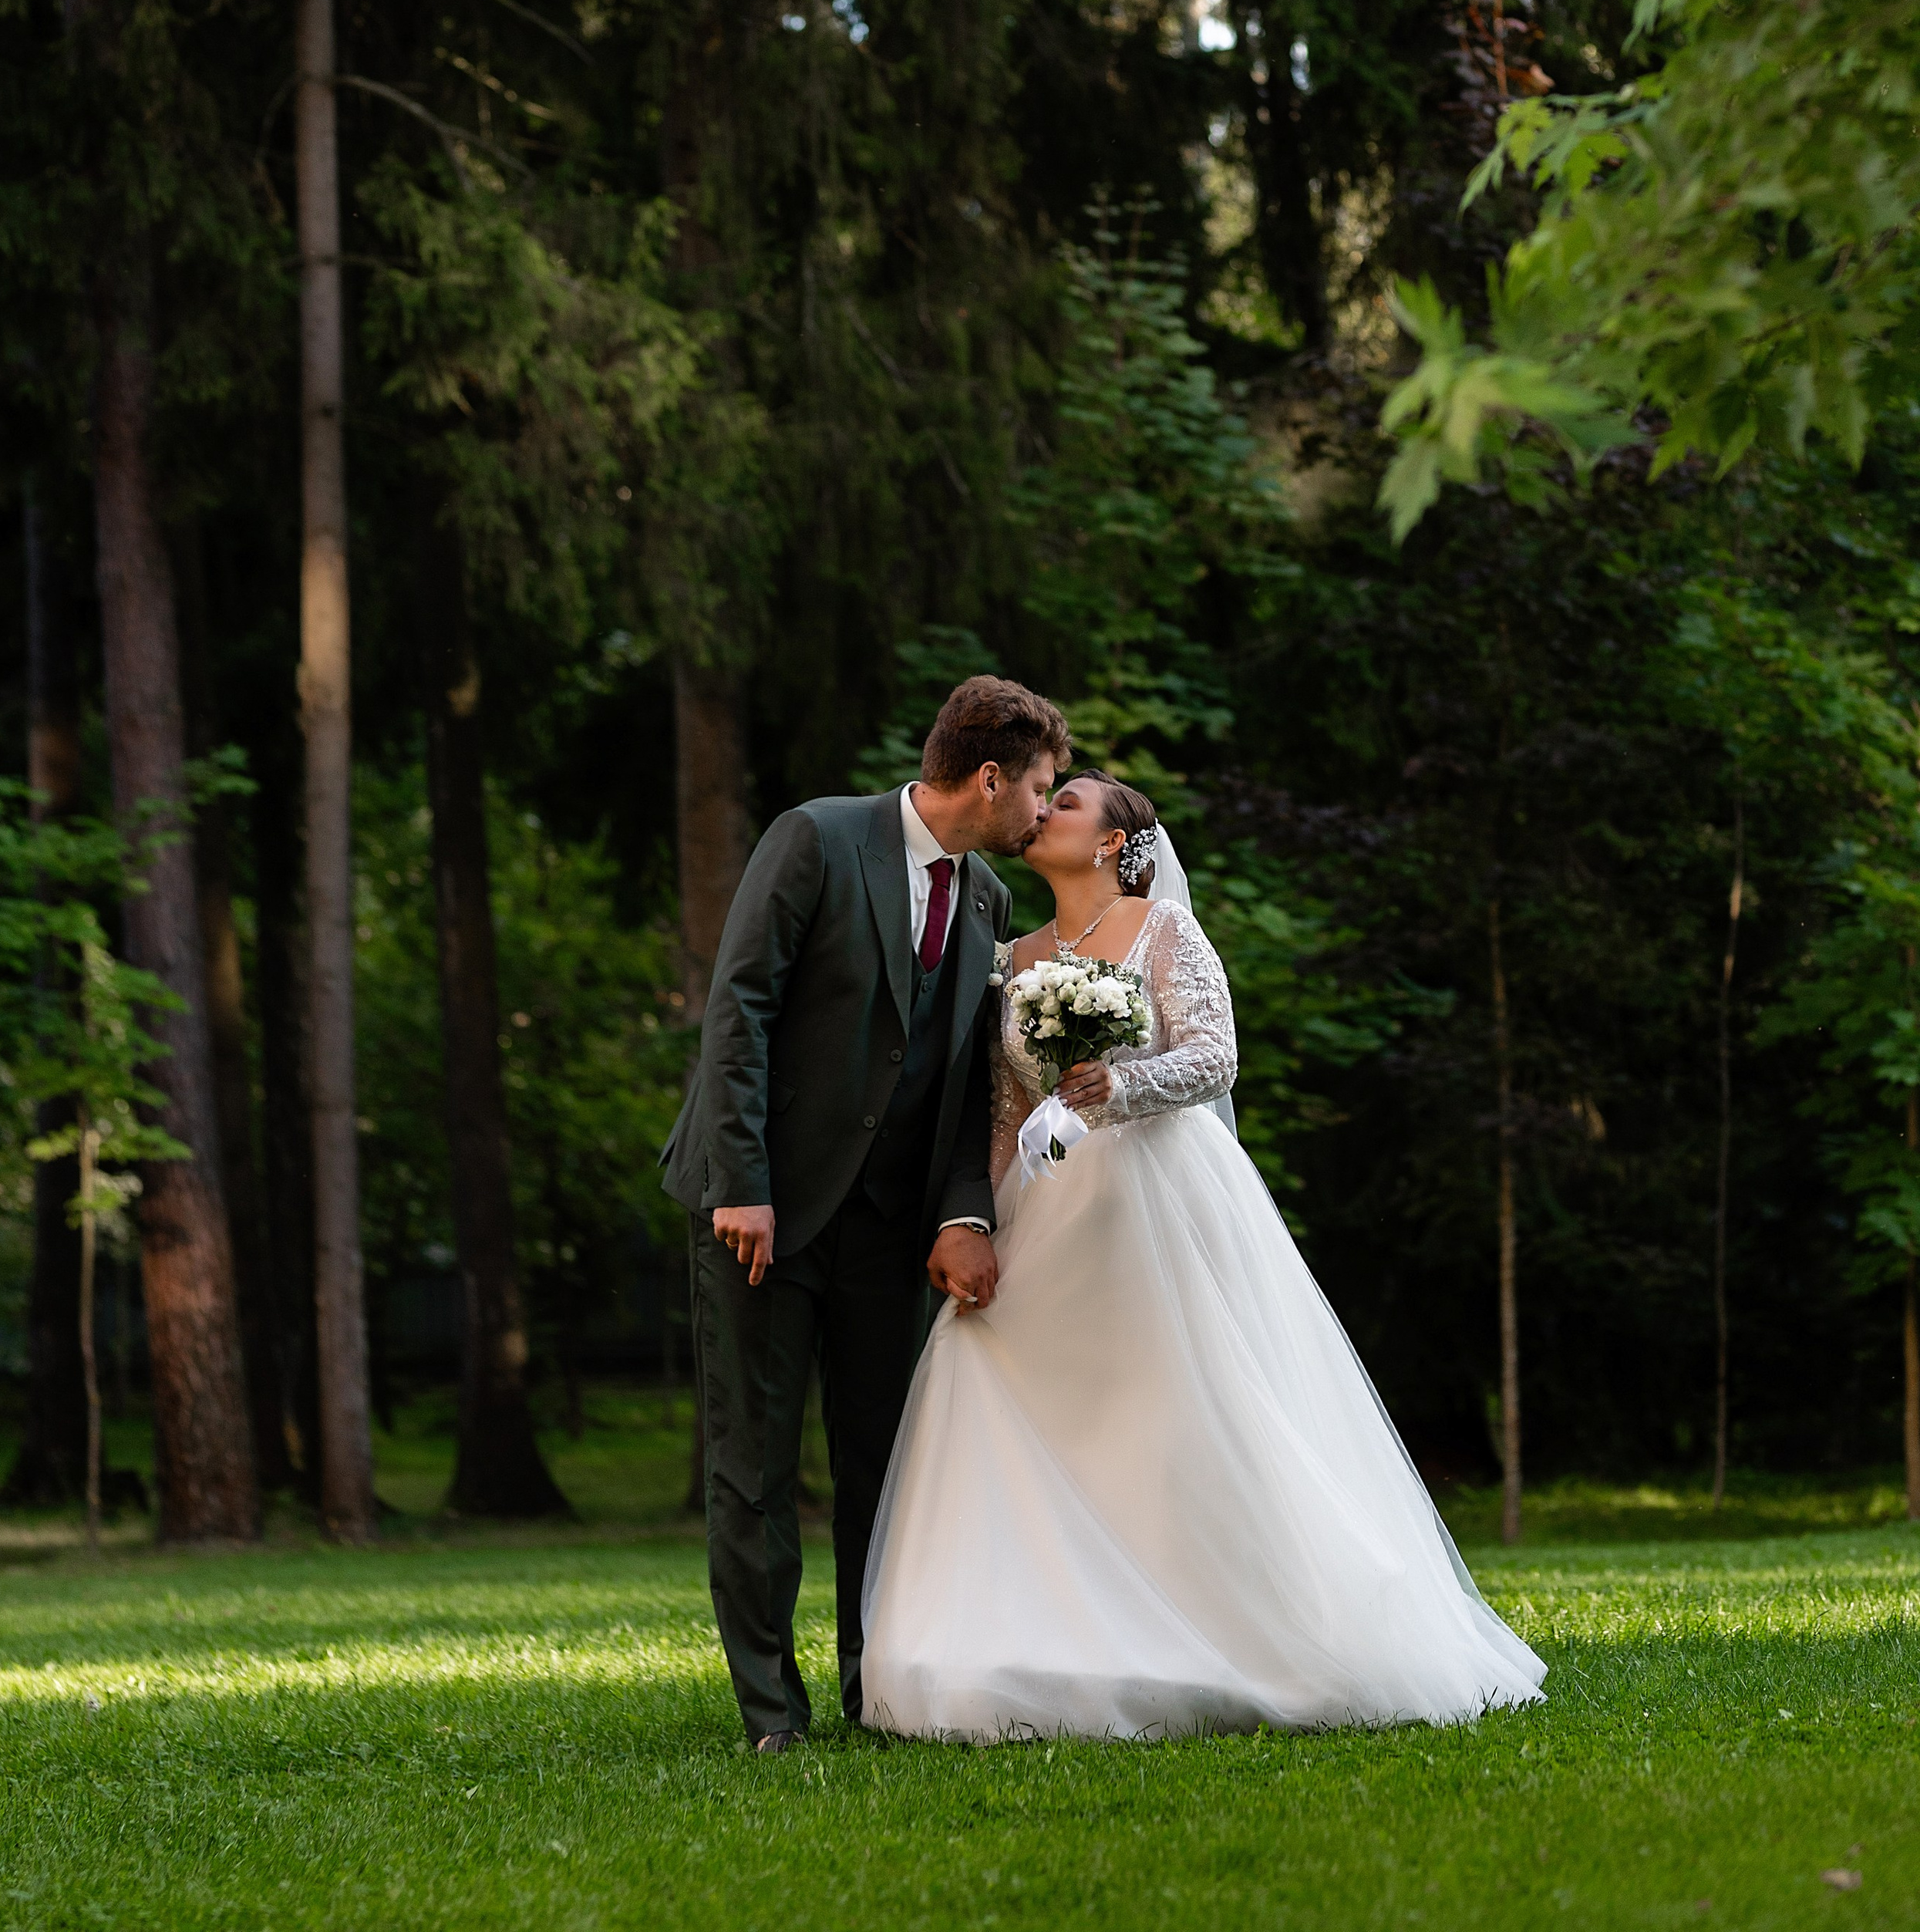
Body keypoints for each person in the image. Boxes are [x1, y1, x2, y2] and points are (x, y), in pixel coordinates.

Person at [859, 772, 1548, 1741]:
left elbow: (1215, 1058)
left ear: (1111, 842)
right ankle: (1034, 1632)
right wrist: (974, 1220)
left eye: (1067, 803)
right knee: (1004, 1380)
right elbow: (1004, 1110)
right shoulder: (1009, 956)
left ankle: (1229, 1631)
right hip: (1043, 1212)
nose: (1043, 809)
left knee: (1172, 1411)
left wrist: (1116, 1084)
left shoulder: (1164, 932)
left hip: (1157, 1202)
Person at [661, 673, 1070, 1751]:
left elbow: (968, 1079)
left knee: (885, 1466)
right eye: (1040, 787)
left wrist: (963, 1215)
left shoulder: (987, 902)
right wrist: (741, 1181)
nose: (1043, 810)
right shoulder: (816, 840)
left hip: (889, 1231)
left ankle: (870, 1687)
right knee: (751, 1466)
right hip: (763, 1210)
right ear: (989, 778)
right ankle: (770, 1712)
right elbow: (739, 1007)